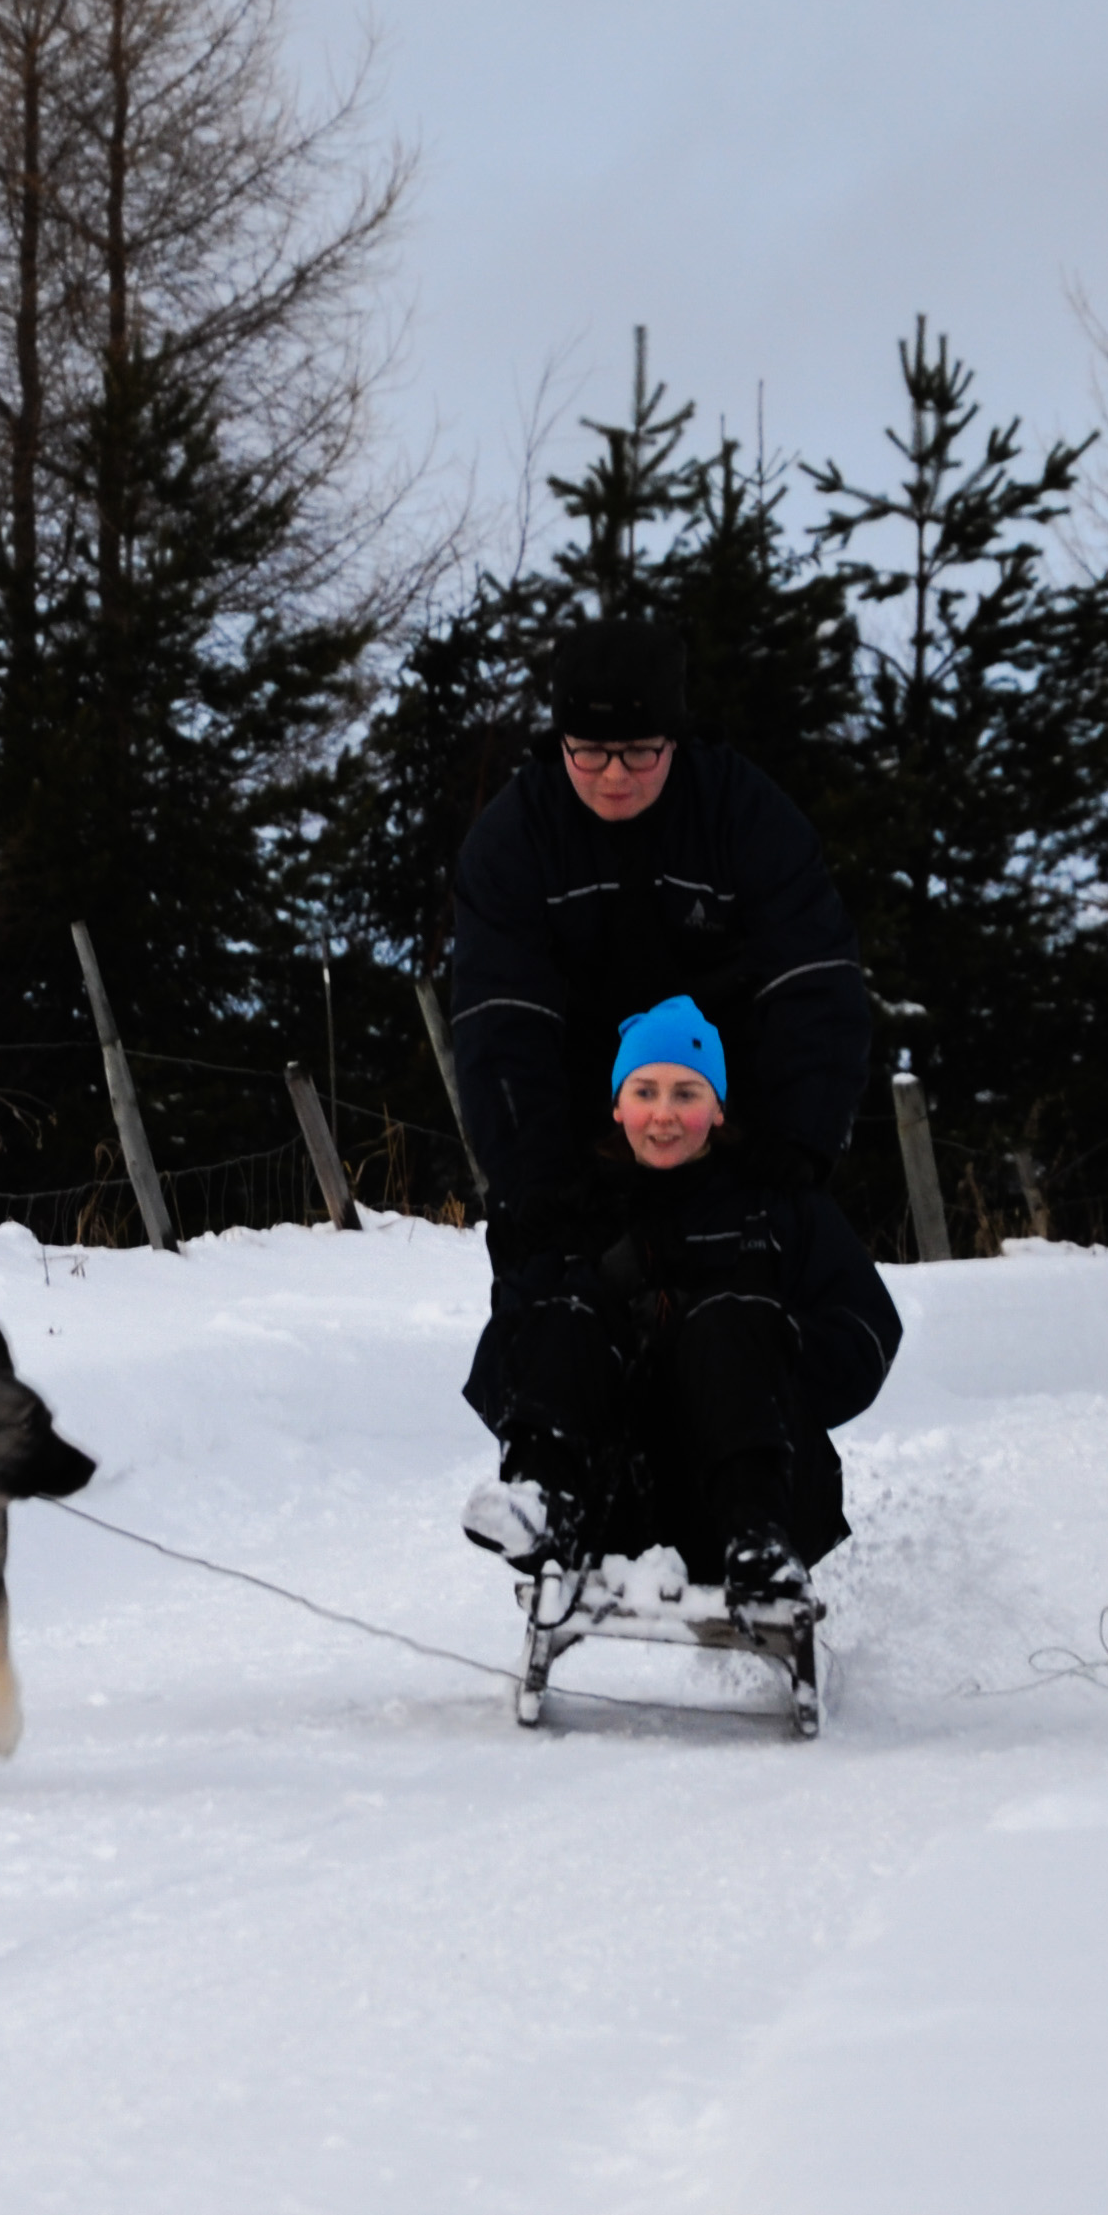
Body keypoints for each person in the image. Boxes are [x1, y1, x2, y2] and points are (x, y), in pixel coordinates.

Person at [445, 621, 901, 1596]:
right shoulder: (516, 839)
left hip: (737, 1129)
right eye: (590, 752)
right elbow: (499, 1019)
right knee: (564, 1303)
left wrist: (797, 1140)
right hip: (580, 1140)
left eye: (639, 752)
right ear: (559, 741)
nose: (613, 775)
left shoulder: (743, 814)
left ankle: (755, 1522)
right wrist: (531, 1177)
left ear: (676, 739)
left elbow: (813, 979)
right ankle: (544, 1492)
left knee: (734, 1314)